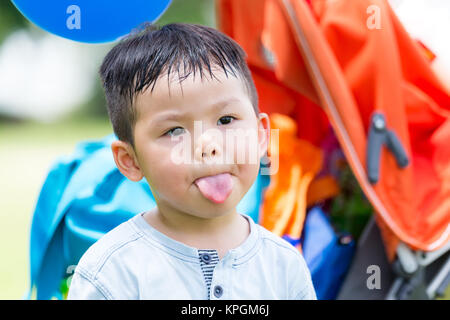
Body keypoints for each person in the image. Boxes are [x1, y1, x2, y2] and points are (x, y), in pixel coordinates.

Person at [67, 23, 316, 300]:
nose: (207, 146)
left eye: (225, 120)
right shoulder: (113, 271)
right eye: (174, 131)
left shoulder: (284, 266)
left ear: (260, 136)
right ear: (131, 161)